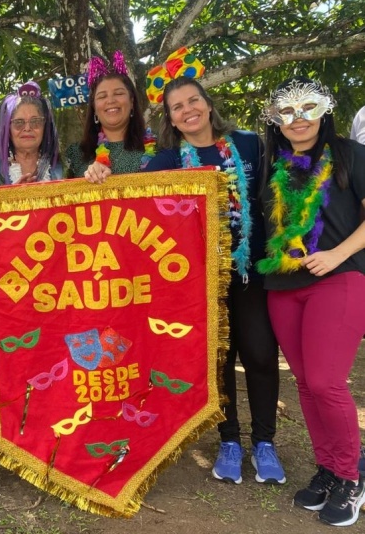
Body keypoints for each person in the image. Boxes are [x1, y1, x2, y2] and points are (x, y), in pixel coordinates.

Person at [143, 76, 283, 485]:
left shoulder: (249, 145)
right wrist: (98, 172)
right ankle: (229, 441)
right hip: (200, 283)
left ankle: (265, 443)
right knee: (218, 360)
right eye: (177, 107)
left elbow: (283, 188)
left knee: (260, 353)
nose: (188, 110)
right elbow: (130, 198)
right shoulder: (167, 162)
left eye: (193, 101)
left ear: (207, 103)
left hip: (251, 271)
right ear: (171, 118)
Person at [257, 77, 365, 527]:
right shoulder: (272, 165)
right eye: (286, 110)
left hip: (338, 278)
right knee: (305, 383)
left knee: (325, 382)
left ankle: (352, 477)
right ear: (275, 120)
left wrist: (337, 254)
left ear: (324, 110)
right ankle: (329, 468)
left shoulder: (350, 154)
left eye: (307, 107)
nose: (298, 118)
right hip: (283, 286)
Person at [70, 52, 155, 182]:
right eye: (102, 96)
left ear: (132, 101)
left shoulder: (159, 147)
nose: (110, 101)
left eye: (119, 93)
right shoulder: (75, 154)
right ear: (94, 108)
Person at [0, 80, 62, 184]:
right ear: (8, 129)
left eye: (35, 121)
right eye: (18, 122)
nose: (27, 128)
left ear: (44, 126)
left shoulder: (62, 165)